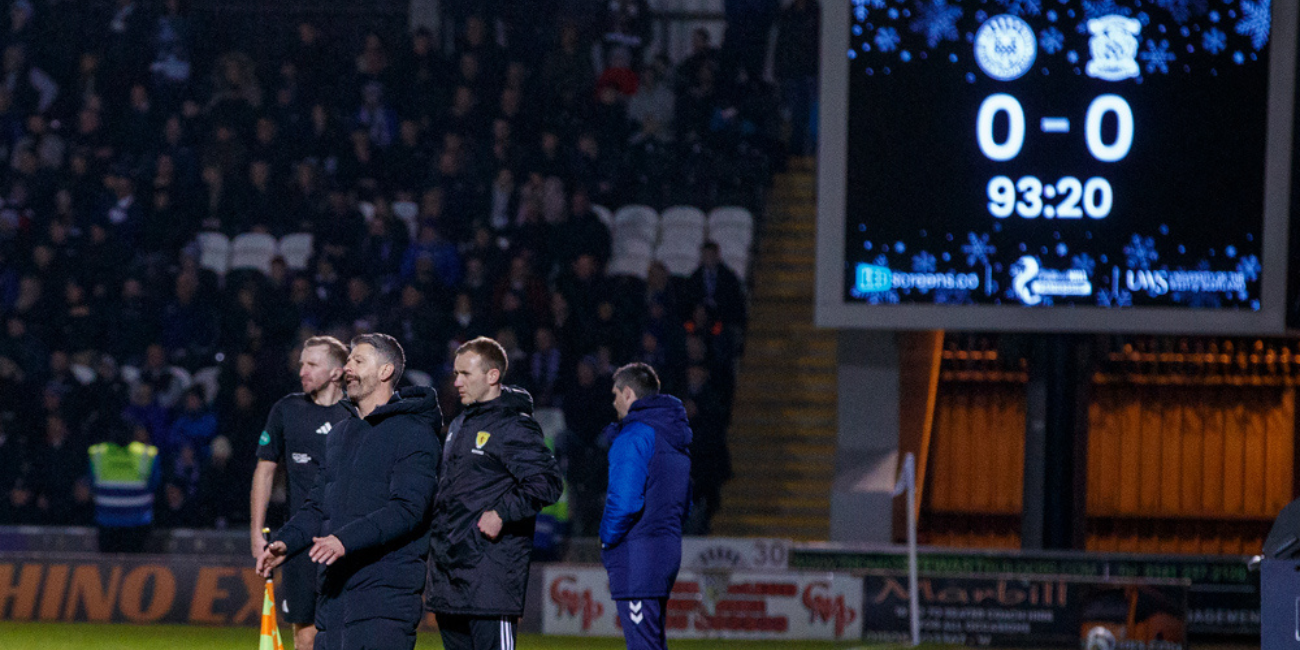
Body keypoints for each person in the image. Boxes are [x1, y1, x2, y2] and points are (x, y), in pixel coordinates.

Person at [258, 334, 442, 650]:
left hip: (383, 600)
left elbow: (408, 509)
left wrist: (344, 539)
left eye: (358, 360)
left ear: (385, 371)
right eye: (348, 360)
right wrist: (286, 542)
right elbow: (317, 506)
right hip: (334, 595)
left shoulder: (414, 433)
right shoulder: (340, 435)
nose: (348, 368)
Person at [426, 336, 563, 650]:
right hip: (450, 579)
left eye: (465, 374)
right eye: (455, 373)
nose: (456, 382)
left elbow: (547, 482)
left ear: (492, 376)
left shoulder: (513, 426)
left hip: (490, 579)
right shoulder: (460, 424)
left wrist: (502, 512)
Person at [250, 336, 351, 650]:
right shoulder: (286, 409)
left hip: (346, 537)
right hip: (300, 540)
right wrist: (256, 531)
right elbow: (265, 470)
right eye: (301, 364)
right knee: (305, 635)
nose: (302, 371)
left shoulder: (355, 413)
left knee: (348, 633)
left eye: (312, 364)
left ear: (336, 372)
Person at [601, 363, 692, 650]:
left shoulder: (634, 436)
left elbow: (625, 502)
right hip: (666, 552)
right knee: (653, 642)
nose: (613, 402)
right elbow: (684, 505)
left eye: (615, 394)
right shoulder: (673, 436)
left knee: (643, 645)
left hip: (638, 557)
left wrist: (607, 538)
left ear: (628, 393)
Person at [89, 413, 160, 553]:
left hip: (109, 522)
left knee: (108, 565)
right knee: (136, 564)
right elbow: (154, 484)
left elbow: (92, 484)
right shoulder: (147, 454)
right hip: (137, 523)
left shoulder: (97, 453)